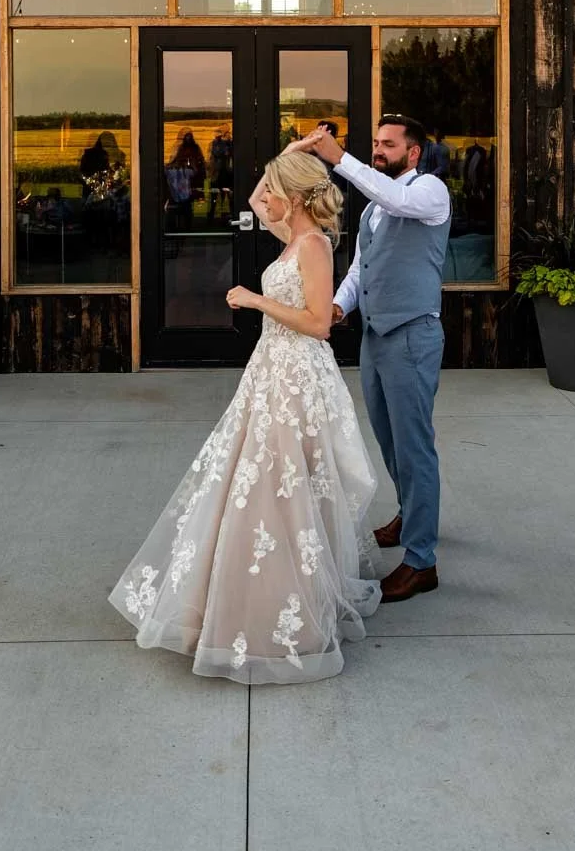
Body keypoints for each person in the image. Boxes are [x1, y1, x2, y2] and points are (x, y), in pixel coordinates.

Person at [109, 145, 381, 684]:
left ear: (298, 195)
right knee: (254, 478)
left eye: (280, 187)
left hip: (297, 374)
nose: (268, 197)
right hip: (270, 371)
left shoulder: (313, 244)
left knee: (284, 483)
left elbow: (320, 322)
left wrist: (256, 301)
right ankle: (243, 592)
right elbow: (257, 198)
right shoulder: (288, 234)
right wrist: (287, 154)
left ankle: (287, 606)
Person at [301, 116, 451, 604]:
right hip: (376, 336)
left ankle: (421, 561)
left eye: (389, 144)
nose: (380, 150)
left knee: (414, 446)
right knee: (389, 439)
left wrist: (338, 157)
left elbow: (395, 198)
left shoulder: (428, 191)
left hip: (413, 335)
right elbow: (361, 269)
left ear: (412, 154)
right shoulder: (372, 211)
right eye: (376, 144)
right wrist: (341, 304)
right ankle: (412, 511)